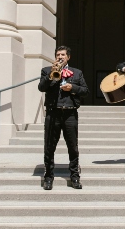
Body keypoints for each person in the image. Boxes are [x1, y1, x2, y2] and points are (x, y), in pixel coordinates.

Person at [38, 46, 89, 190]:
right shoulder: (47, 71)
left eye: (63, 55)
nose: (60, 57)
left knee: (72, 147)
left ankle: (74, 177)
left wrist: (72, 88)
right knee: (49, 146)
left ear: (68, 57)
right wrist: (50, 76)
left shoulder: (77, 73)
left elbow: (85, 91)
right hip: (53, 113)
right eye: (58, 55)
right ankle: (48, 177)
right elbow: (41, 88)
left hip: (70, 114)